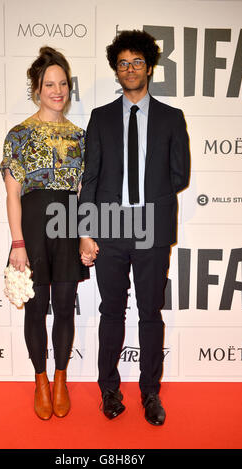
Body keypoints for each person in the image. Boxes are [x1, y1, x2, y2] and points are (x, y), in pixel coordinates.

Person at [79, 30, 190, 426]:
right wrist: (87, 229)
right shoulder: (101, 117)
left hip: (152, 227)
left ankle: (150, 393)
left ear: (149, 66)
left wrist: (146, 198)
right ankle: (109, 389)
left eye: (137, 62)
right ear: (116, 69)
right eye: (123, 63)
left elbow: (180, 176)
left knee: (149, 312)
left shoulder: (172, 118)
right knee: (111, 311)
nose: (130, 69)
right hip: (109, 227)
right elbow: (89, 179)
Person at [0, 46, 89, 420]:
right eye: (49, 84)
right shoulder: (19, 135)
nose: (57, 91)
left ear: (69, 88)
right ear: (36, 89)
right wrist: (17, 243)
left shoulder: (81, 138)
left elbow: (84, 194)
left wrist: (85, 235)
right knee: (35, 311)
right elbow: (13, 194)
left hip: (68, 226)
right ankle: (39, 380)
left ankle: (61, 380)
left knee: (65, 308)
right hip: (33, 229)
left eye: (63, 83)